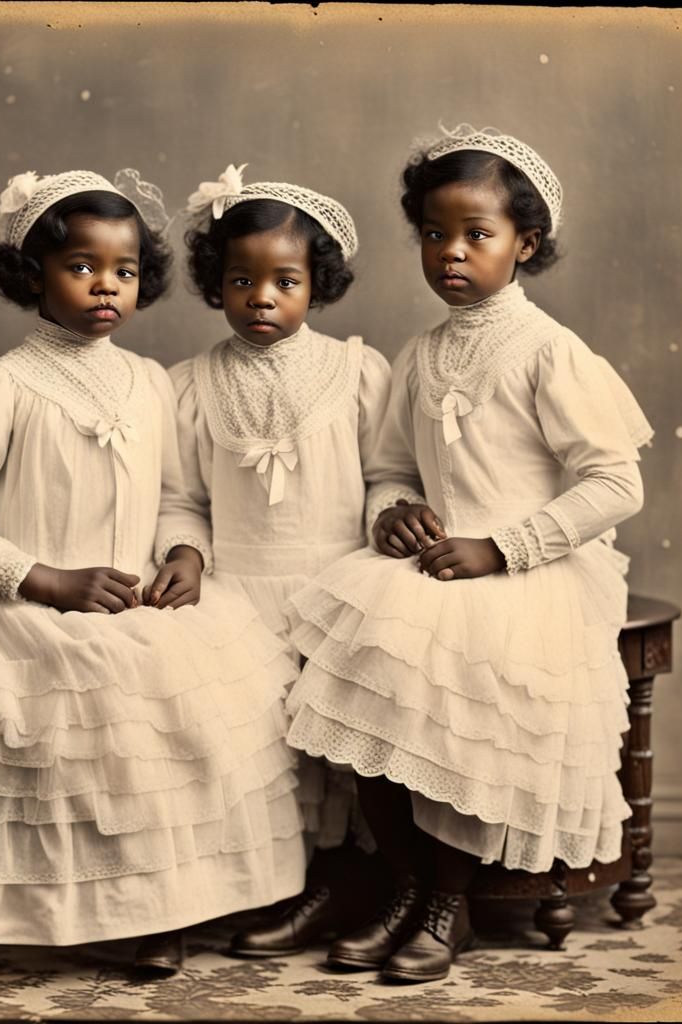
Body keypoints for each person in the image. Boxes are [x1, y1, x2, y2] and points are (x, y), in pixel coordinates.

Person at [0, 168, 307, 976]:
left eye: (124, 270)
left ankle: (161, 912)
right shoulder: (4, 386)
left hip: (134, 598)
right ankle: (53, 912)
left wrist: (185, 553)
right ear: (35, 275)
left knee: (161, 742)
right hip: (31, 602)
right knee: (64, 752)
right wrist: (41, 579)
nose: (105, 286)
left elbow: (174, 497)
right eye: (81, 266)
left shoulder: (149, 381)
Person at [283, 125, 653, 983]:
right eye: (433, 233)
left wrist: (505, 547)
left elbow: (615, 483)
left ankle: (449, 902)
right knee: (358, 679)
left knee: (465, 689)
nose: (451, 251)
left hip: (528, 568)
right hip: (435, 562)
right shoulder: (419, 354)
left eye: (476, 233)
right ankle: (405, 886)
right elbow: (389, 468)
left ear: (525, 243)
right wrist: (392, 512)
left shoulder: (549, 351)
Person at [173, 165, 392, 957]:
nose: (261, 298)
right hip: (238, 592)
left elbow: (388, 473)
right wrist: (187, 550)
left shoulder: (359, 373)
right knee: (255, 740)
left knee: (340, 738)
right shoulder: (190, 386)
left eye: (285, 281)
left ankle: (351, 882)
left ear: (317, 283)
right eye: (242, 280)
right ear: (216, 283)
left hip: (337, 581)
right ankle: (270, 883)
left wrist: (389, 514)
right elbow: (179, 497)